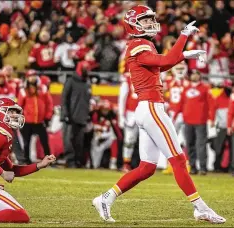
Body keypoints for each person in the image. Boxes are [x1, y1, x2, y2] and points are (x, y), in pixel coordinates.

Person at [92, 5, 225, 224]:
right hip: (151, 107)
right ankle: (200, 208)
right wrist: (183, 38)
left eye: (150, 20)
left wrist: (183, 54)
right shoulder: (138, 44)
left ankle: (106, 198)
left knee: (147, 167)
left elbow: (159, 66)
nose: (150, 23)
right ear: (133, 24)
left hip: (147, 108)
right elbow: (166, 61)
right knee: (179, 160)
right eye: (145, 20)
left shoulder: (142, 44)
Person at [175, 70, 213, 175]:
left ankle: (203, 168)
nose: (194, 76)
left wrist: (212, 118)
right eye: (193, 74)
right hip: (188, 121)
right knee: (189, 144)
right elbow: (180, 103)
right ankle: (193, 167)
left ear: (199, 76)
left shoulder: (205, 88)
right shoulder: (186, 89)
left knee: (201, 144)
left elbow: (211, 104)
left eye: (196, 74)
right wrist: (174, 116)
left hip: (201, 120)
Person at [18, 70, 53, 164]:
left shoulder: (43, 88)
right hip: (27, 121)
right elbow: (20, 106)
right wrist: (20, 119)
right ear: (27, 78)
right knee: (26, 142)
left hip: (40, 120)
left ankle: (49, 160)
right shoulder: (23, 90)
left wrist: (48, 116)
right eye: (30, 76)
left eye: (34, 75)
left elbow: (49, 103)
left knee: (45, 141)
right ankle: (26, 160)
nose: (32, 78)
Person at [60, 61, 92, 168]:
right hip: (70, 116)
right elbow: (64, 98)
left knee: (79, 142)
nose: (87, 70)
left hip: (82, 116)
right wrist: (65, 114)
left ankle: (78, 161)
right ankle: (70, 161)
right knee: (69, 140)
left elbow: (87, 101)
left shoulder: (87, 83)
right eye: (86, 68)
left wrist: (87, 115)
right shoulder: (70, 81)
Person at [118, 71, 138, 172]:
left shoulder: (150, 74)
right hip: (132, 113)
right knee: (129, 140)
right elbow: (122, 98)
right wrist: (121, 115)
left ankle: (147, 164)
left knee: (147, 140)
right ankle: (126, 163)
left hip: (146, 112)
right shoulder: (128, 78)